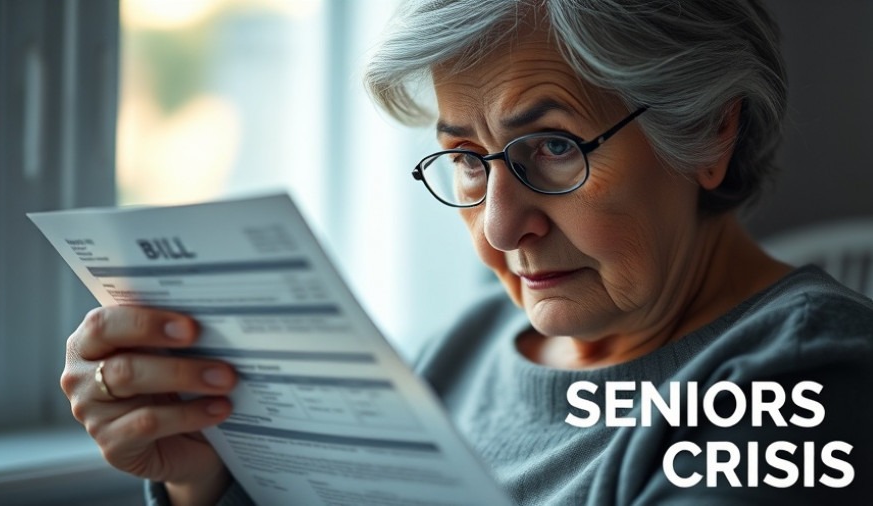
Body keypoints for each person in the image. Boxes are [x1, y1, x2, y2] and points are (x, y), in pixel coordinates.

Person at [61, 0, 873, 504]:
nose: (498, 227)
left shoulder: (803, 383)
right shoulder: (460, 348)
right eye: (466, 160)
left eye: (553, 147)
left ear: (710, 132)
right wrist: (204, 479)